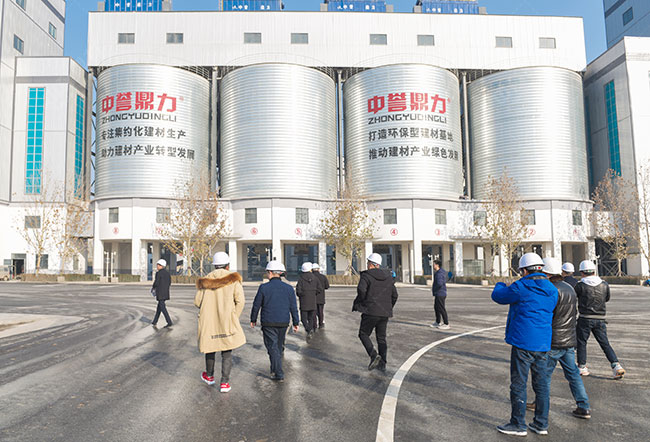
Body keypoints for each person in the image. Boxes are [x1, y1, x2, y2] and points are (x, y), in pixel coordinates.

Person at [491, 252, 558, 436]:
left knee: (519, 384)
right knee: (541, 385)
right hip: (543, 343)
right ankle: (541, 424)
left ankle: (518, 424)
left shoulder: (521, 286)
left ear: (524, 270)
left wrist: (500, 284)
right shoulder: (552, 289)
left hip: (523, 341)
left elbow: (498, 296)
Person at [527, 258, 591, 419]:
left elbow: (545, 315)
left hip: (553, 340)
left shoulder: (550, 290)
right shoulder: (569, 288)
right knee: (573, 375)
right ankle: (583, 406)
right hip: (569, 339)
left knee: (543, 376)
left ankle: (539, 404)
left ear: (546, 273)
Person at [194, 252, 246, 392]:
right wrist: (234, 316)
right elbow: (240, 301)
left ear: (214, 265)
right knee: (227, 351)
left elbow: (197, 302)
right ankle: (224, 383)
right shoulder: (233, 280)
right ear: (227, 265)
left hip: (209, 321)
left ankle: (209, 376)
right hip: (227, 320)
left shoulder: (206, 280)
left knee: (210, 348)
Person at [574, 260, 626, 379]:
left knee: (581, 342)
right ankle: (616, 365)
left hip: (585, 318)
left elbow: (574, 297)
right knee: (604, 343)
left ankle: (582, 367)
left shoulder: (580, 285)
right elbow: (606, 298)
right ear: (594, 271)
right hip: (600, 318)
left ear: (582, 272)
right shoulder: (604, 284)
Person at [250, 261, 300, 382]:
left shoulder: (263, 287)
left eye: (267, 272)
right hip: (283, 322)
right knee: (278, 347)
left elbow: (256, 305)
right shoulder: (289, 288)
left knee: (272, 347)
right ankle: (274, 369)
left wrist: (253, 319)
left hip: (268, 322)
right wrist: (296, 322)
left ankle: (279, 373)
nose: (267, 274)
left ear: (271, 273)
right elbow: (293, 307)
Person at [353, 253, 399, 372]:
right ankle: (382, 363)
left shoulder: (366, 276)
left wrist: (363, 303)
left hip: (370, 311)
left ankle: (373, 355)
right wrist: (388, 306)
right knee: (381, 338)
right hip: (384, 312)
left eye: (368, 262)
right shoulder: (388, 277)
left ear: (371, 264)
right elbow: (395, 295)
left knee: (363, 334)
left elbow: (361, 290)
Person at [295, 262, 322, 342]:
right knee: (311, 318)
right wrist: (313, 293)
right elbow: (320, 289)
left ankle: (308, 330)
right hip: (313, 301)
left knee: (303, 319)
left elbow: (298, 291)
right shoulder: (315, 278)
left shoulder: (301, 279)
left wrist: (303, 294)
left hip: (304, 302)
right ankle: (310, 330)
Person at [151, 259, 173, 328]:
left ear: (161, 266)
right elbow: (169, 283)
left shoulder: (159, 273)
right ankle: (155, 321)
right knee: (159, 307)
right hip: (165, 292)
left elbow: (156, 282)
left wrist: (153, 287)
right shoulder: (167, 273)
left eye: (158, 265)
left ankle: (169, 322)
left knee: (162, 308)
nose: (157, 266)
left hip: (160, 292)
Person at [430, 259, 450, 329]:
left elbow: (439, 283)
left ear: (437, 265)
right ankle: (438, 322)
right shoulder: (439, 272)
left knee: (441, 308)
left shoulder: (439, 273)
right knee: (436, 307)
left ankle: (446, 323)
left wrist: (435, 289)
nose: (433, 266)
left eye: (434, 264)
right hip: (438, 293)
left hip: (440, 293)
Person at [312, 263, 330, 329]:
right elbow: (327, 286)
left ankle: (314, 325)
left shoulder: (311, 277)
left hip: (312, 297)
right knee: (320, 311)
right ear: (318, 269)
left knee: (313, 312)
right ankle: (321, 324)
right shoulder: (323, 277)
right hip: (321, 297)